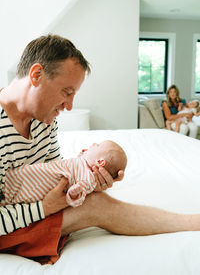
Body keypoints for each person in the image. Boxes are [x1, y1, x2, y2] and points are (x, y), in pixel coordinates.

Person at [1, 35, 200, 265]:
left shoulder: (45, 120)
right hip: (8, 225)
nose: (69, 106)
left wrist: (88, 179)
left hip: (29, 207)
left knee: (94, 196)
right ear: (36, 75)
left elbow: (54, 172)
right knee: (97, 205)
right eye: (66, 92)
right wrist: (44, 208)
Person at [1, 140, 127, 208]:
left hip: (38, 181)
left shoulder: (90, 177)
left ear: (100, 162)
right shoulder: (82, 162)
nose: (93, 144)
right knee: (18, 175)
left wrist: (75, 191)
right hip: (36, 171)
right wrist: (82, 155)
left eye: (98, 145)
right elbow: (70, 165)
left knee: (19, 185)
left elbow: (82, 189)